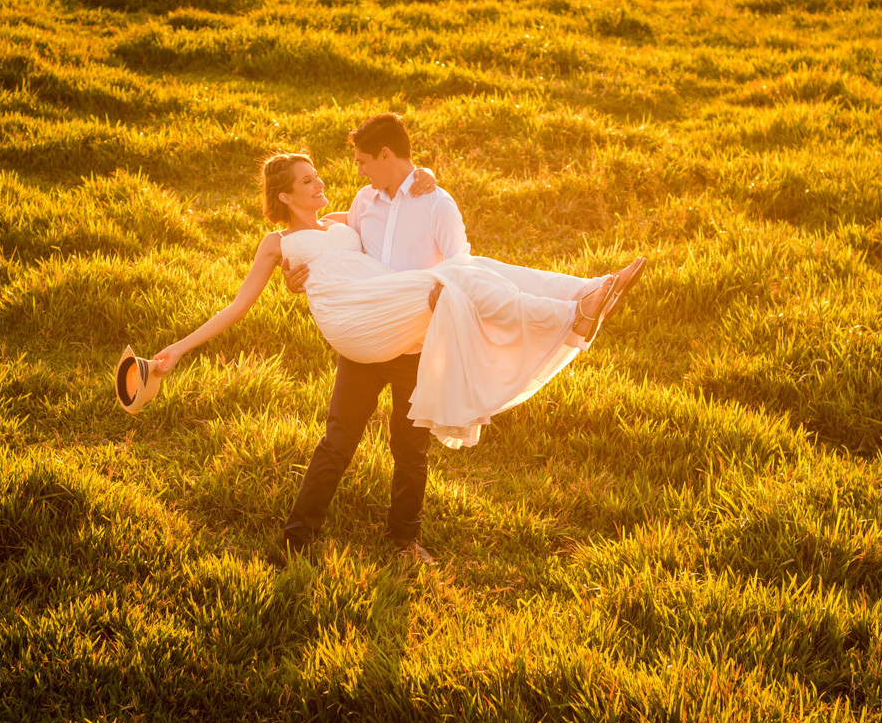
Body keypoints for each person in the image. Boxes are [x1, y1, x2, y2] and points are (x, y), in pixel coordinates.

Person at [153, 113, 644, 566]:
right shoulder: (286, 239)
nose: (324, 181)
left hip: (408, 329)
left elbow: (377, 220)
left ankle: (404, 540)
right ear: (284, 197)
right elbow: (237, 307)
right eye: (308, 180)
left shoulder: (351, 216)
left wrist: (420, 176)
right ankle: (295, 542)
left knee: (412, 443)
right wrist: (178, 348)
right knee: (338, 442)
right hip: (361, 328)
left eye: (319, 175)